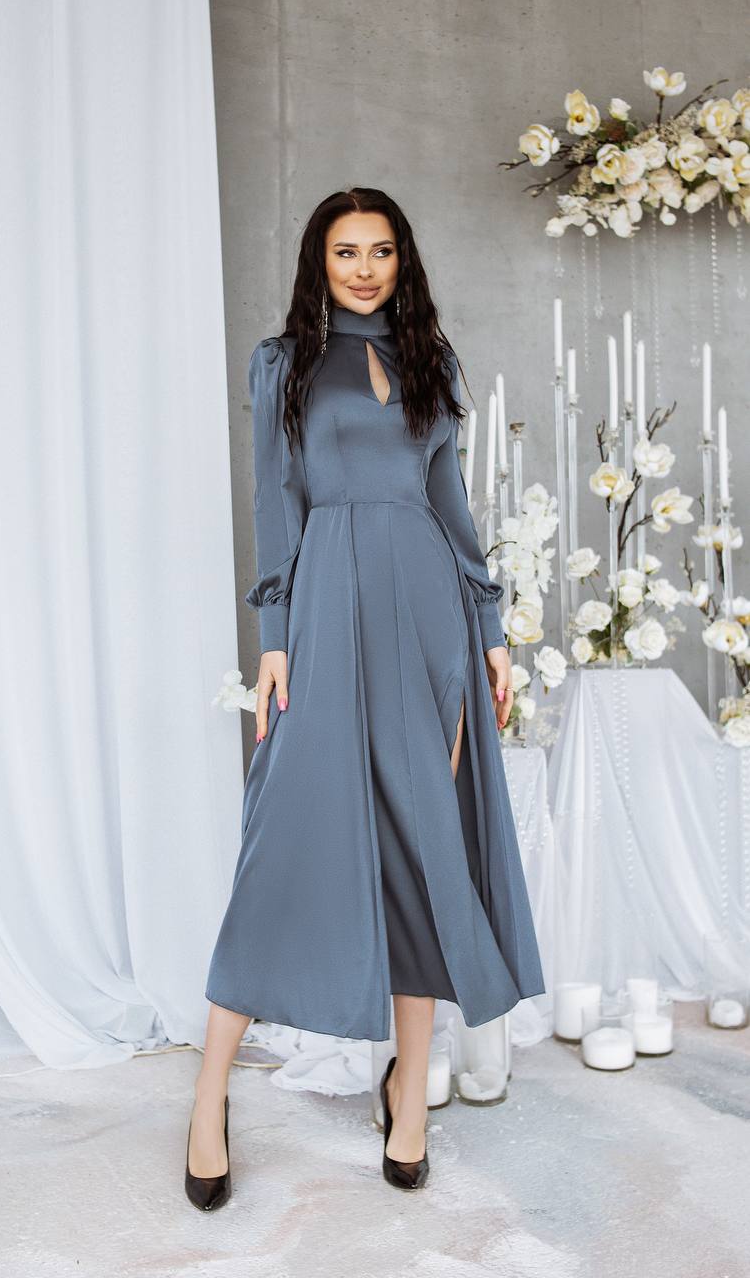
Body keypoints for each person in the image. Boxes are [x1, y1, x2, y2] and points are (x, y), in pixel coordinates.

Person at [185, 187, 545, 1209]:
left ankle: (410, 1094)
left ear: (401, 260)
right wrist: (273, 640)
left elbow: (452, 507)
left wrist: (489, 634)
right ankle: (208, 1094)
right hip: (329, 604)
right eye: (346, 250)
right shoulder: (282, 364)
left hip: (428, 614)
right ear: (319, 260)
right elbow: (274, 499)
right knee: (283, 848)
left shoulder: (436, 360)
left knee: (424, 851)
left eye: (380, 250)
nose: (363, 267)